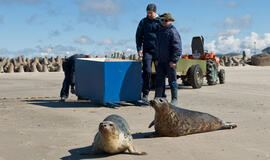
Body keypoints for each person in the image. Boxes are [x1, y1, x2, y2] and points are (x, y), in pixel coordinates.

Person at [155, 13, 182, 105]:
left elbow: (177, 48)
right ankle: (158, 98)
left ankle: (174, 99)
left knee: (172, 80)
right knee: (159, 80)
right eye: (162, 20)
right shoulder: (159, 31)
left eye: (166, 20)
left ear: (170, 21)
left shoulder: (173, 32)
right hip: (160, 61)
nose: (163, 22)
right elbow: (156, 46)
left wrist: (174, 60)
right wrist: (156, 58)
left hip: (170, 62)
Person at [136, 3, 160, 102]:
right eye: (147, 13)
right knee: (147, 71)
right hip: (147, 51)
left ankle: (160, 94)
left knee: (160, 72)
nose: (149, 15)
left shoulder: (160, 21)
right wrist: (139, 49)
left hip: (158, 51)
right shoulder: (143, 22)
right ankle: (145, 94)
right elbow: (138, 36)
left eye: (150, 13)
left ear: (155, 12)